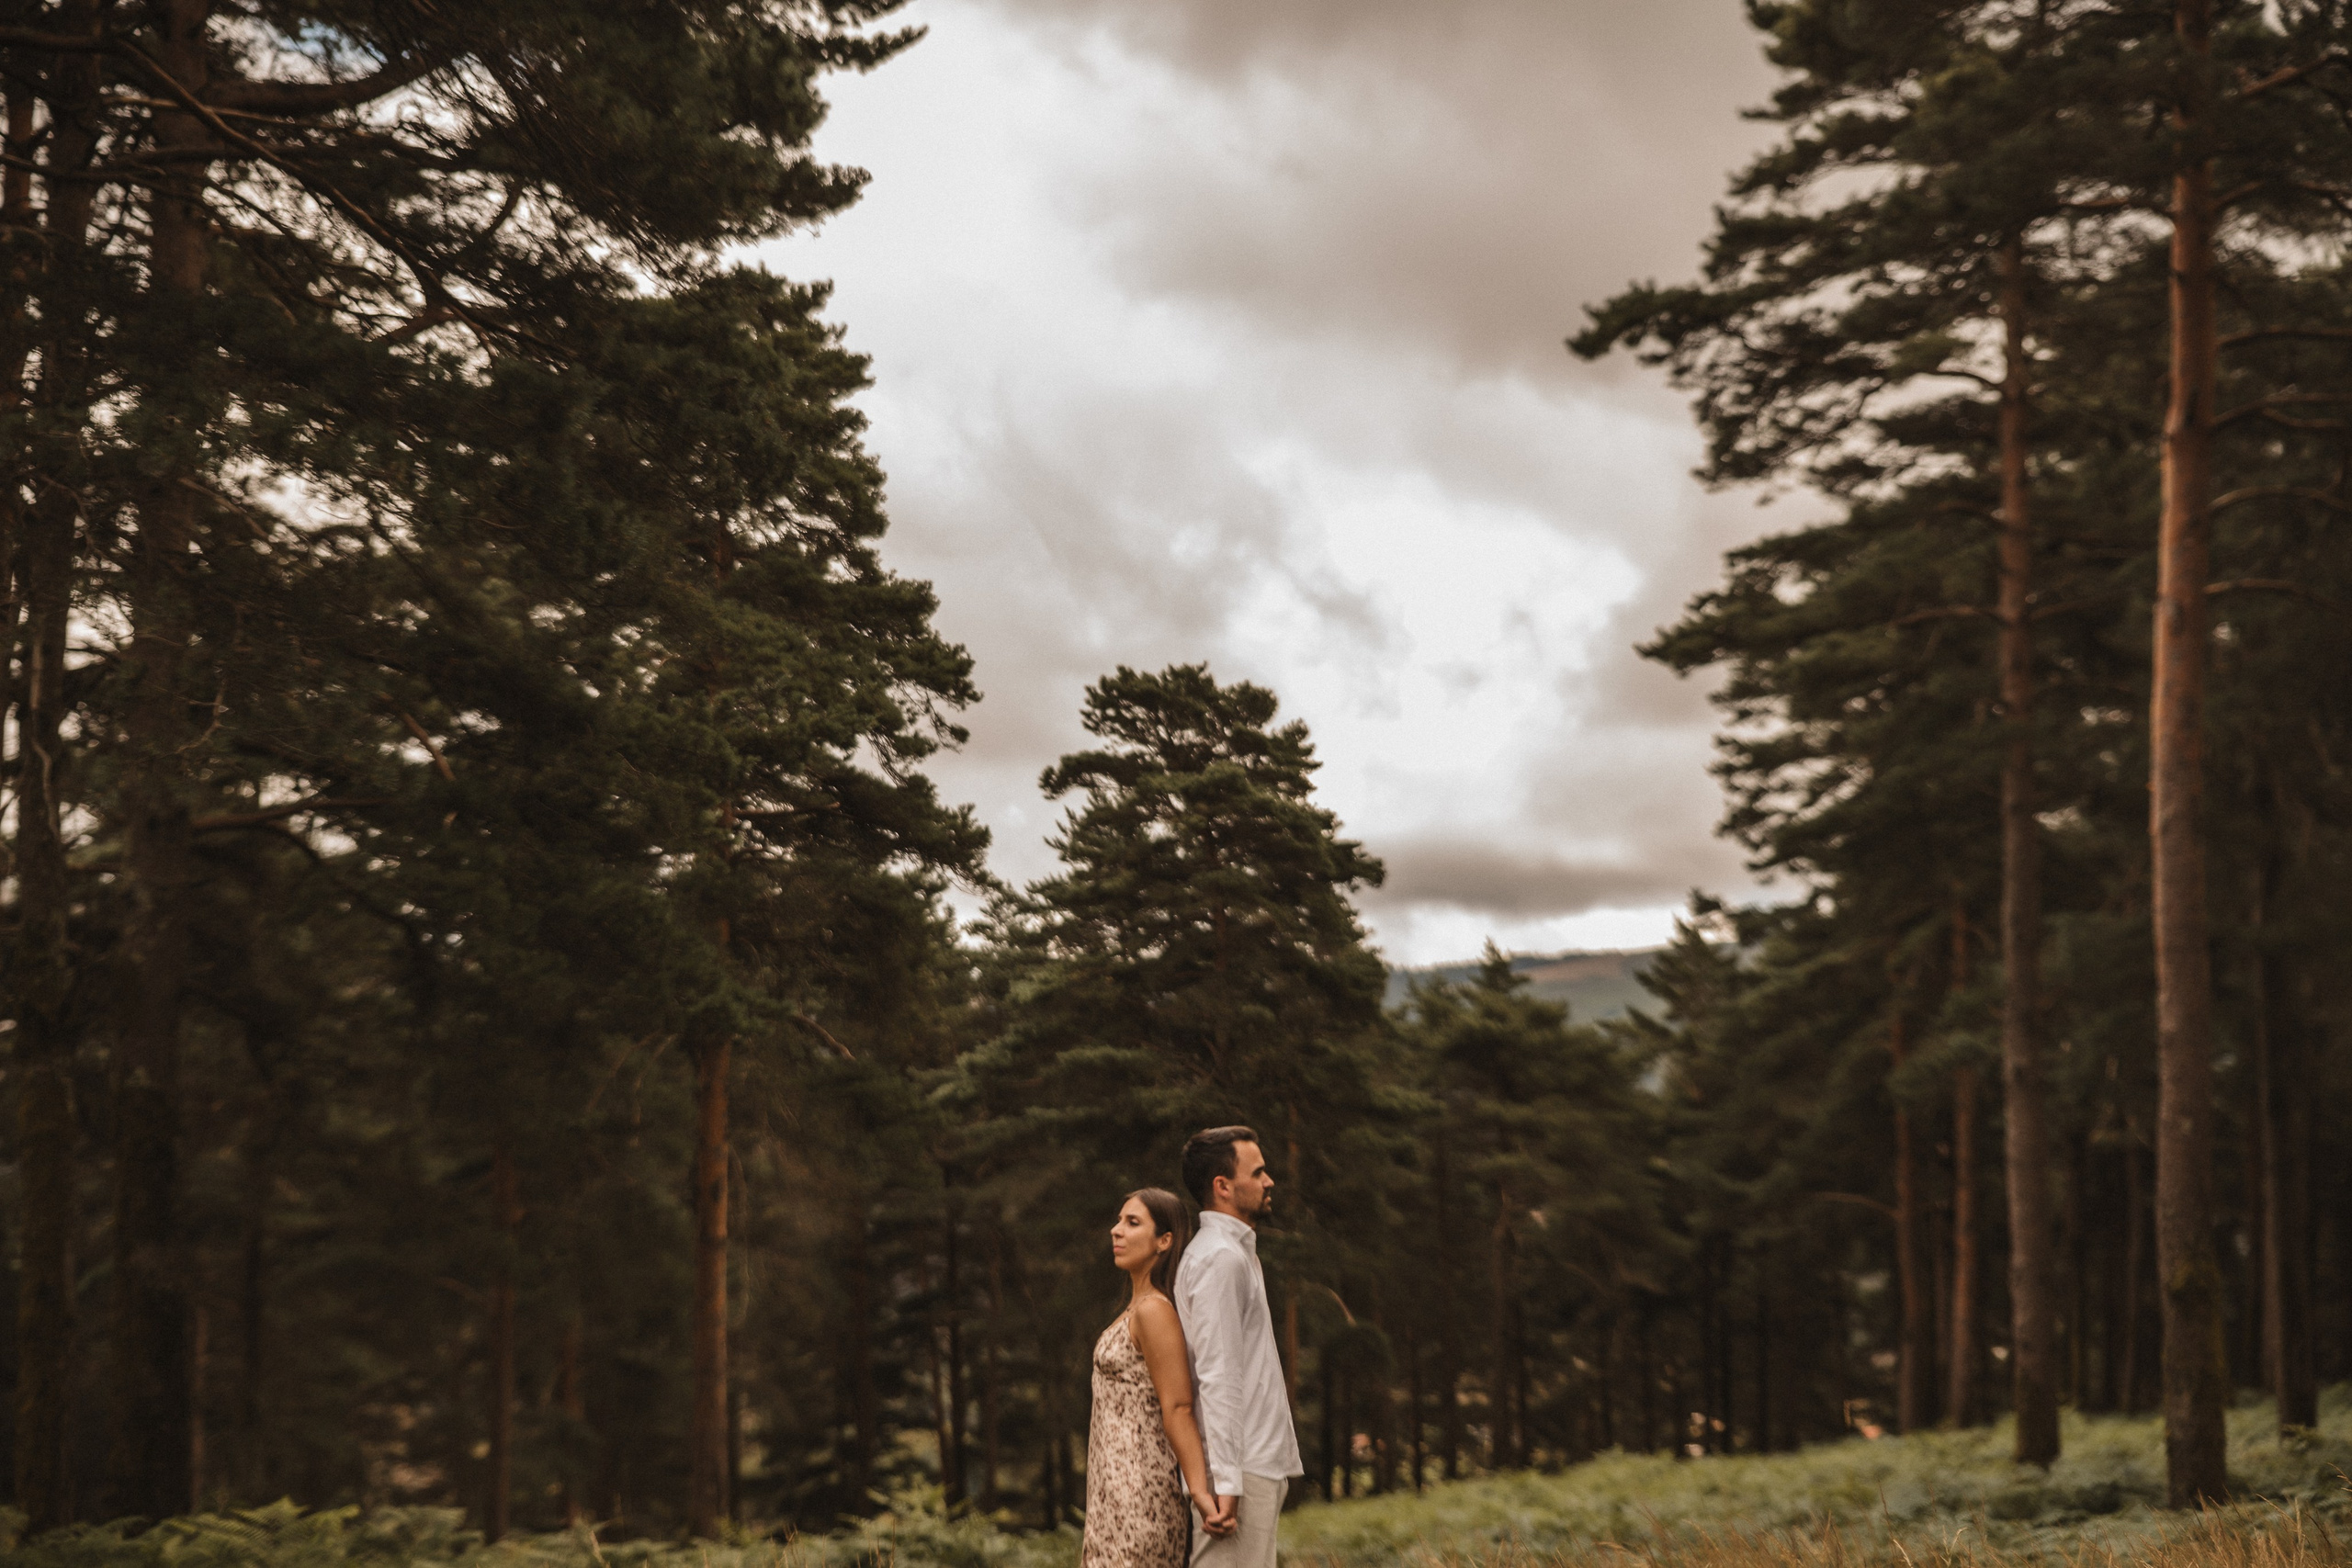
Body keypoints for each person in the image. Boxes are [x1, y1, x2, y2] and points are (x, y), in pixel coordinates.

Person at [1083, 1188, 1233, 1568]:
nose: (1116, 1231)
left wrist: (1199, 1491)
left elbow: (1179, 1405)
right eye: (1118, 1221)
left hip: (1140, 1496)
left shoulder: (1154, 1311)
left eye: (1132, 1223)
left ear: (1164, 1240)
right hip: (1110, 1496)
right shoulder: (1136, 1308)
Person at [1174, 1127, 1300, 1568]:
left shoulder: (1234, 1252)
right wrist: (1226, 1481)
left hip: (1251, 1462)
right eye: (1258, 1172)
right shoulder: (1220, 1259)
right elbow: (1217, 1373)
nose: (1269, 1182)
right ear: (1222, 1187)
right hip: (1239, 1468)